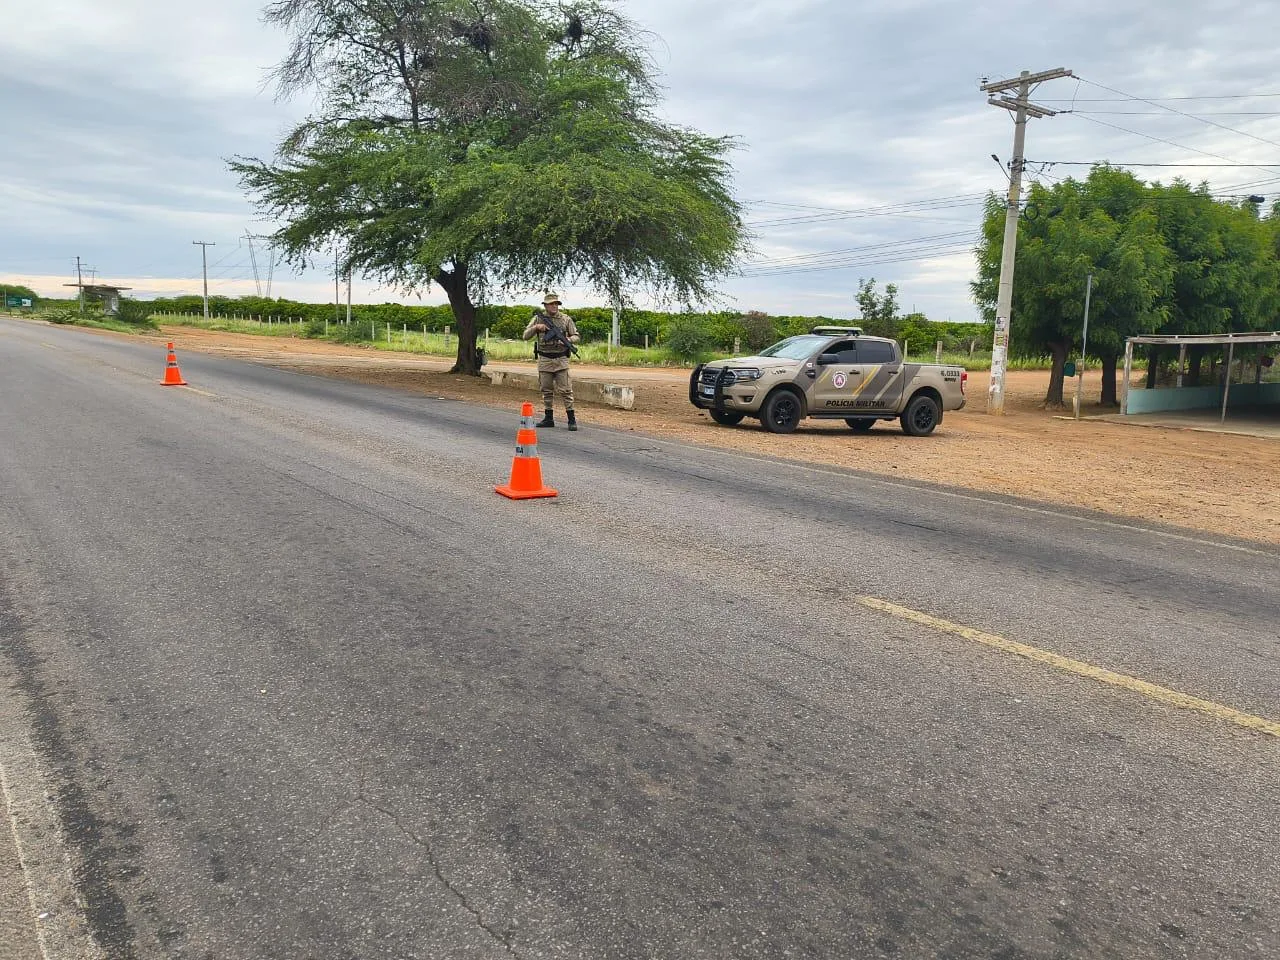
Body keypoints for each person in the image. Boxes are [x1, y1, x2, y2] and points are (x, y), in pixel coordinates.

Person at [522, 292, 581, 430]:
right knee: (546, 390)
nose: (554, 306)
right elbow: (525, 336)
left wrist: (567, 340)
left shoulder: (566, 319)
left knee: (566, 390)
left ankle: (571, 419)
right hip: (545, 359)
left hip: (561, 358)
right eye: (551, 304)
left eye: (556, 303)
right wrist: (537, 327)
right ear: (546, 305)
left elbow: (576, 336)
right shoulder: (538, 318)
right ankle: (548, 418)